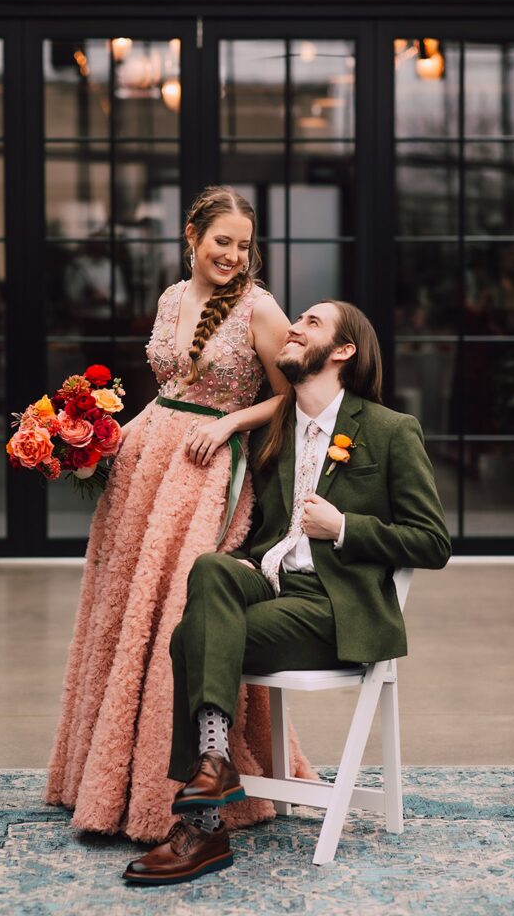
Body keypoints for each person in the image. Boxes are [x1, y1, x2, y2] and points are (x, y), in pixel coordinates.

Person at [123, 299, 452, 884]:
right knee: (211, 569)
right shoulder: (277, 429)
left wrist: (345, 527)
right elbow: (262, 530)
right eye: (296, 321)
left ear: (343, 351)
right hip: (272, 586)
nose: (294, 328)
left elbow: (433, 542)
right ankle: (215, 766)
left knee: (188, 640)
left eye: (313, 323)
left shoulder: (389, 431)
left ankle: (203, 829)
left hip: (335, 610)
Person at [45, 186, 316, 842]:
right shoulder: (171, 297)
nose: (232, 254)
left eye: (242, 244)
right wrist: (108, 438)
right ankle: (104, 777)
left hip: (206, 473)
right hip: (145, 464)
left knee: (175, 612)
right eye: (221, 241)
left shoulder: (260, 308)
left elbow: (293, 399)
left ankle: (178, 785)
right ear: (191, 238)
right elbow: (169, 389)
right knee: (123, 609)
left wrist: (228, 429)